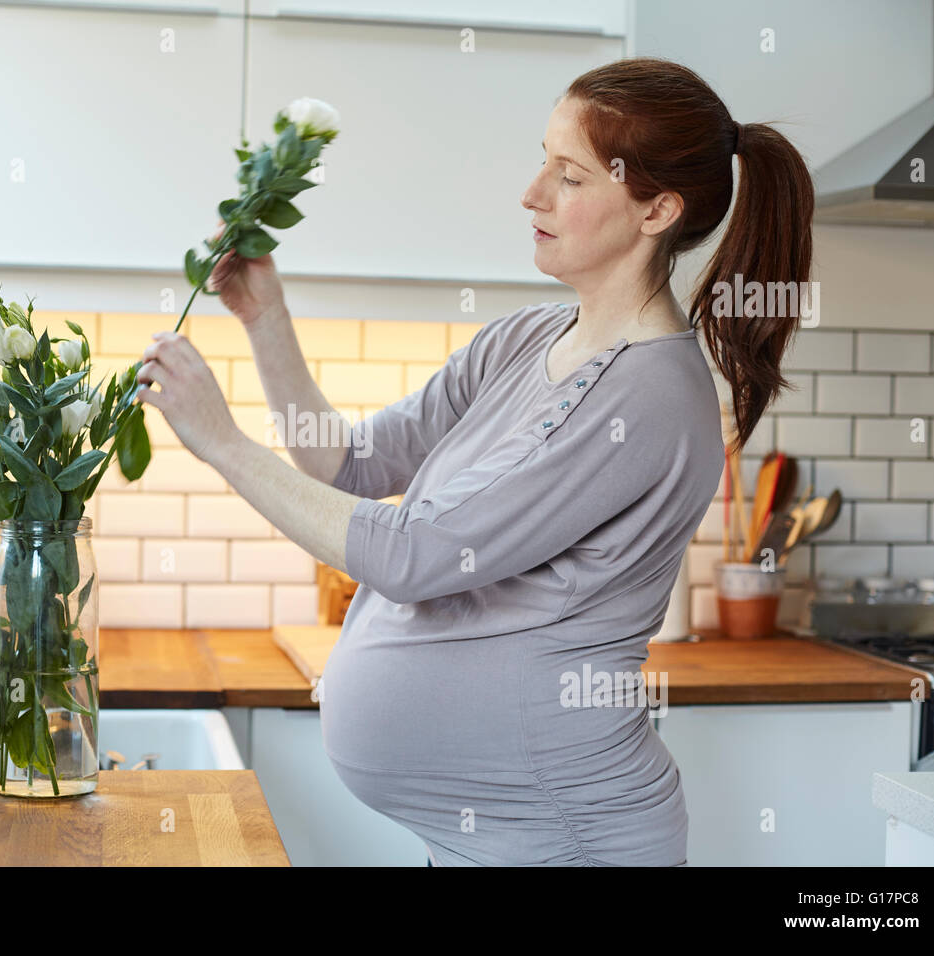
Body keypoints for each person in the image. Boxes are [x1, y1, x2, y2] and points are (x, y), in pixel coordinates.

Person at [134, 56, 813, 865]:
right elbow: (350, 465)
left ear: (656, 209)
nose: (532, 194)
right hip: (483, 840)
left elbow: (414, 555)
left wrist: (222, 442)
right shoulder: (527, 339)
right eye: (544, 162)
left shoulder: (653, 394)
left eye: (569, 176)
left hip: (567, 839)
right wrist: (264, 316)